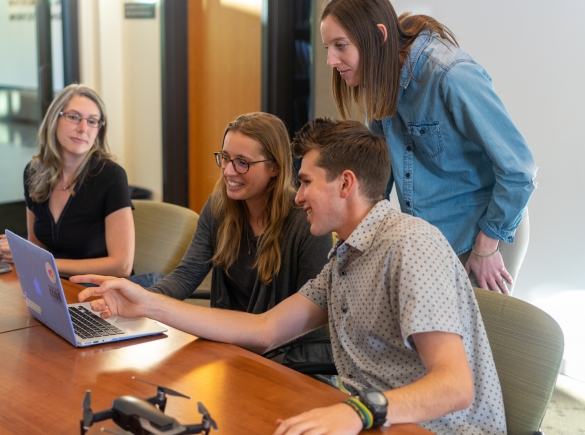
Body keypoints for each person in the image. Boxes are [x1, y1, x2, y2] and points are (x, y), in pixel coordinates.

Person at [73, 118, 506, 435]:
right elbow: (264, 330)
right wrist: (146, 302)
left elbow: (454, 387)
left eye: (305, 182)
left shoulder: (410, 244)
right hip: (377, 418)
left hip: (432, 427)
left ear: (345, 184)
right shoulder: (344, 257)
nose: (297, 197)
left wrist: (357, 411)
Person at [319, 0, 537, 294]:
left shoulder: (451, 74)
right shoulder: (380, 82)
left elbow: (519, 169)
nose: (331, 60)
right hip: (431, 240)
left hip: (483, 235)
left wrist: (486, 246)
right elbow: (377, 175)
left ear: (380, 36)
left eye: (340, 46)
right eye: (327, 47)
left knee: (475, 338)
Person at [130, 112, 333, 363]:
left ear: (275, 168)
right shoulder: (219, 207)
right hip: (229, 349)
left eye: (242, 162)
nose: (228, 171)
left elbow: (308, 325)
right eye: (225, 158)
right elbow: (186, 275)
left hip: (290, 362)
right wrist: (140, 299)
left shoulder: (306, 221)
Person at [0, 84, 134, 277]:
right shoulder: (33, 173)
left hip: (98, 291)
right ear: (54, 119)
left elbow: (121, 266)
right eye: (73, 117)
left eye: (92, 121)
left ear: (99, 130)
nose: (82, 128)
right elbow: (37, 245)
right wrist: (14, 250)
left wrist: (36, 258)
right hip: (52, 283)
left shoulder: (111, 176)